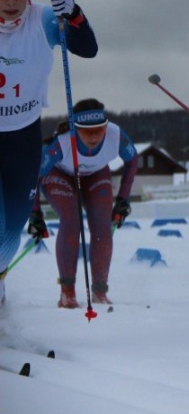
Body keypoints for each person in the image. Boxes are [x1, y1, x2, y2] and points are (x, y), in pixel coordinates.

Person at [0, 0, 97, 306]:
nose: (11, 2)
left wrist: (73, 14)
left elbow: (88, 49)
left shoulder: (43, 19)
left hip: (24, 136)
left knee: (13, 228)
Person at [27, 99, 138, 307]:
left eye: (99, 129)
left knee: (102, 227)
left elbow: (133, 160)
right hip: (60, 175)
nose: (94, 136)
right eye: (87, 131)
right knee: (71, 221)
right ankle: (67, 293)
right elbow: (35, 176)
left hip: (95, 175)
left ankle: (100, 291)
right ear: (75, 128)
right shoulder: (61, 143)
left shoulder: (115, 135)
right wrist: (35, 213)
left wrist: (123, 199)